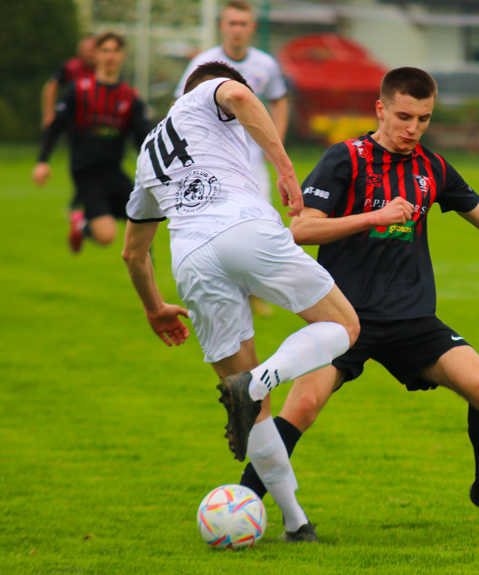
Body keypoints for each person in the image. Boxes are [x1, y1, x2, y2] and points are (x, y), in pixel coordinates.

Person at [239, 67, 479, 534]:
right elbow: (300, 230)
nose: (412, 129)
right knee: (301, 408)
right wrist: (374, 216)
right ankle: (243, 503)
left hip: (411, 318)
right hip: (344, 318)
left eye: (423, 119)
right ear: (381, 109)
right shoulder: (345, 159)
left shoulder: (433, 167)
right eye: (403, 116)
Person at [122, 61, 360, 542]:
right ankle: (259, 380)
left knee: (258, 409)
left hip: (189, 258)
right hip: (243, 227)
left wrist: (154, 308)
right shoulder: (208, 92)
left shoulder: (148, 154)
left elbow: (133, 252)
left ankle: (296, 524)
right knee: (345, 327)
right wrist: (286, 169)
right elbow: (243, 99)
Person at [174, 0, 288, 316]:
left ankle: (252, 292)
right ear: (222, 26)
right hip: (213, 161)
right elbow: (180, 108)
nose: (237, 29)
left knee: (261, 222)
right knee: (214, 225)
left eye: (243, 24)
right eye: (231, 23)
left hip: (251, 160)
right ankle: (221, 290)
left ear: (252, 28)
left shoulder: (266, 64)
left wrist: (273, 142)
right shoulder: (203, 63)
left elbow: (278, 101)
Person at [32, 32, 150, 254]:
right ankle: (82, 225)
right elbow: (55, 127)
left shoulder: (129, 97)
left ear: (123, 56)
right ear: (95, 55)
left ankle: (150, 287)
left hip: (114, 171)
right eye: (105, 50)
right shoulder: (78, 91)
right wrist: (42, 161)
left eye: (115, 51)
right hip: (86, 172)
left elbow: (142, 139)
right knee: (106, 237)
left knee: (144, 220)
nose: (110, 56)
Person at [41, 35, 96, 128]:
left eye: (91, 49)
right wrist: (48, 114)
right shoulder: (70, 66)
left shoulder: (102, 70)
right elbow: (51, 86)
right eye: (85, 49)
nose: (88, 54)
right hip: (69, 108)